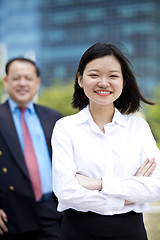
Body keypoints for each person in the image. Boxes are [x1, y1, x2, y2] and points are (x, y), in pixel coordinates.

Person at [51, 42, 160, 240]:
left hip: (131, 232)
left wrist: (99, 184)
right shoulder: (65, 128)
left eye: (112, 75)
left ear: (123, 82)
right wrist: (129, 194)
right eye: (94, 75)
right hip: (79, 232)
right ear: (80, 79)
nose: (103, 82)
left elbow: (157, 187)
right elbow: (66, 192)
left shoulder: (138, 128)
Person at [0, 57, 63, 240]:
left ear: (37, 83)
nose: (22, 83)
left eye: (28, 78)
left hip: (52, 211)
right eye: (16, 78)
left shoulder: (53, 117)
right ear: (6, 81)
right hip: (8, 215)